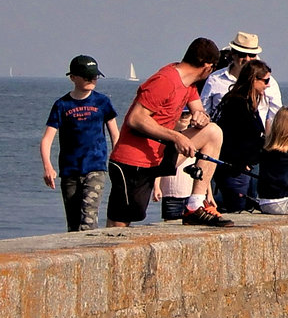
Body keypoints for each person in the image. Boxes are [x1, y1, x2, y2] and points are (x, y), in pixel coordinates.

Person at [107, 37, 232, 227]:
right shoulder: (165, 80)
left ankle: (194, 205)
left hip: (160, 153)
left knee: (213, 132)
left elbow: (199, 109)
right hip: (133, 161)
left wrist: (201, 117)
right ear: (207, 66)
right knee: (121, 223)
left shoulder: (189, 83)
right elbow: (136, 118)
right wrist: (176, 136)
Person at [40, 54, 120, 232]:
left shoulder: (102, 102)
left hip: (96, 167)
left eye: (95, 76)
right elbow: (47, 139)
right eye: (87, 76)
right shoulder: (62, 105)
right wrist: (48, 166)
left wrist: (117, 162)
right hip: (70, 171)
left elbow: (115, 135)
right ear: (73, 78)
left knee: (88, 220)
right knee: (73, 223)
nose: (92, 79)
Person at [212, 58, 274, 212]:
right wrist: (241, 161)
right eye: (266, 81)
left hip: (247, 167)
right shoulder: (237, 104)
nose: (268, 85)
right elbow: (232, 137)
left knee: (247, 208)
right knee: (237, 210)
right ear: (254, 80)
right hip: (236, 169)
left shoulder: (247, 103)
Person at [201, 32, 282, 122]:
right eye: (242, 54)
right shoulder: (215, 79)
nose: (247, 59)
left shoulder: (269, 82)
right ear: (233, 54)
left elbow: (275, 116)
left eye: (251, 55)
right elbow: (204, 112)